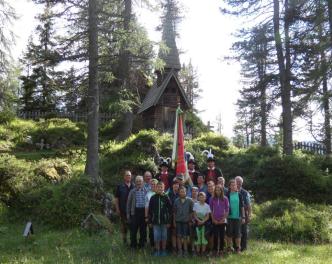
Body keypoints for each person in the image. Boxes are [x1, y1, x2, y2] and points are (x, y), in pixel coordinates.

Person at [148, 182, 172, 257]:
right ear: (156, 188)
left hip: (164, 222)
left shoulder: (166, 197)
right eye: (158, 187)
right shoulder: (153, 197)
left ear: (163, 188)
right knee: (157, 237)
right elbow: (150, 211)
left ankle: (163, 250)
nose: (160, 188)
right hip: (155, 222)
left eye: (161, 187)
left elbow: (170, 210)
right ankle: (157, 250)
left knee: (164, 237)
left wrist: (169, 221)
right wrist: (150, 221)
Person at [127, 176, 148, 249]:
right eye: (137, 181)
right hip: (135, 212)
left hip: (143, 212)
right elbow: (128, 204)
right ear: (135, 182)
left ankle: (142, 244)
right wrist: (128, 215)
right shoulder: (132, 191)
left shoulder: (146, 191)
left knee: (143, 230)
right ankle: (133, 245)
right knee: (133, 230)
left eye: (140, 181)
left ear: (143, 182)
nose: (139, 182)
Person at [173, 186, 194, 257]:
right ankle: (180, 251)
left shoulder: (190, 201)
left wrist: (190, 220)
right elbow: (174, 212)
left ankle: (185, 251)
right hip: (178, 221)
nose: (182, 193)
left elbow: (192, 212)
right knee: (178, 236)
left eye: (184, 191)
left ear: (186, 192)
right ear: (179, 192)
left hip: (186, 221)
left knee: (185, 237)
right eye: (181, 191)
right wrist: (174, 221)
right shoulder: (176, 201)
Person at [114, 170, 134, 245]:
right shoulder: (120, 186)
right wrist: (117, 209)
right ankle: (125, 242)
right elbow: (116, 199)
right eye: (127, 175)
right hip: (123, 210)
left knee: (132, 227)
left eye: (129, 175)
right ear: (124, 177)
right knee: (124, 227)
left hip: (132, 211)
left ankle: (132, 242)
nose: (128, 177)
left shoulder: (133, 186)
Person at [226, 179, 245, 253]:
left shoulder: (239, 194)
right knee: (229, 233)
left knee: (238, 234)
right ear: (229, 186)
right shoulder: (227, 195)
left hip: (238, 217)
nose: (234, 186)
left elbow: (242, 207)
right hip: (229, 217)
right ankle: (229, 248)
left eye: (235, 185)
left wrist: (243, 217)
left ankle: (238, 248)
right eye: (232, 185)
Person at [210, 185, 229, 256]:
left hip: (222, 221)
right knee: (215, 236)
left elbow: (227, 210)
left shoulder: (225, 199)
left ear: (221, 191)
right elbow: (211, 210)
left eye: (219, 190)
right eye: (216, 190)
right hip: (215, 220)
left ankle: (221, 250)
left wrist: (223, 219)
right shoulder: (212, 198)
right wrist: (213, 219)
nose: (218, 191)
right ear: (215, 191)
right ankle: (215, 250)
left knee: (222, 236)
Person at [235, 176, 251, 251]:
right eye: (237, 182)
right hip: (234, 214)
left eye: (240, 182)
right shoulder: (231, 191)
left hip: (243, 214)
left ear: (242, 183)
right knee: (235, 231)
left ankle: (244, 248)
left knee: (244, 231)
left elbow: (249, 205)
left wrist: (249, 215)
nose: (238, 183)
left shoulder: (245, 193)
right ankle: (236, 247)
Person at [145, 179, 158, 247]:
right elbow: (146, 206)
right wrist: (146, 217)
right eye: (152, 184)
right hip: (151, 215)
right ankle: (152, 246)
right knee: (151, 231)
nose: (153, 186)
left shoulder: (160, 193)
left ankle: (159, 246)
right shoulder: (148, 194)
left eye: (155, 184)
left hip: (159, 216)